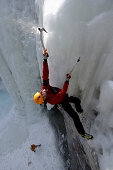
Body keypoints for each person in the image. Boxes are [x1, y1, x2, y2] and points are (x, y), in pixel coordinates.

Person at [34, 53, 93, 140]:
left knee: (76, 100)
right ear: (43, 98)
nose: (42, 91)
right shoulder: (52, 100)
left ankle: (80, 110)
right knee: (75, 117)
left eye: (40, 91)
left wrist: (45, 60)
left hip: (64, 96)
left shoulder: (45, 88)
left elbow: (45, 74)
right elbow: (62, 93)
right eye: (42, 94)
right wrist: (67, 81)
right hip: (63, 101)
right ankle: (83, 133)